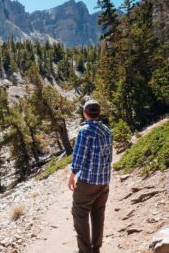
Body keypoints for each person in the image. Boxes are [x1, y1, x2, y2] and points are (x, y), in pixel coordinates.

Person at [68, 100, 113, 253]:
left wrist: (72, 174)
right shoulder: (107, 130)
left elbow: (79, 157)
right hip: (104, 181)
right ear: (99, 113)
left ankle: (85, 250)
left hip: (88, 181)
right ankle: (96, 248)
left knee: (79, 212)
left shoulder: (85, 130)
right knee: (98, 213)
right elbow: (108, 157)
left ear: (84, 113)